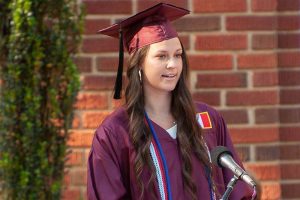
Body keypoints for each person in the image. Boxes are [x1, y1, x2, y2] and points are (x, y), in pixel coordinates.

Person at [87, 3, 254, 200]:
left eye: (177, 55)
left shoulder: (208, 120)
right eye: (161, 56)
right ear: (138, 64)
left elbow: (237, 191)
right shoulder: (115, 133)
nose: (172, 65)